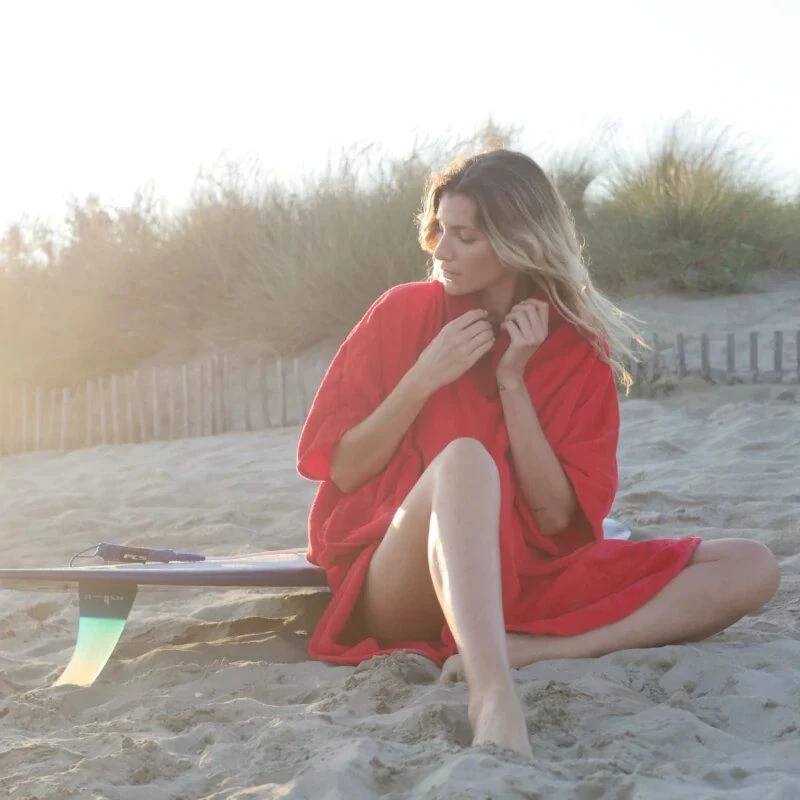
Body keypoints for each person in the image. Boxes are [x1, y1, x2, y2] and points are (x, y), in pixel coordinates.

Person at [296, 149, 780, 758]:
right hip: (400, 582)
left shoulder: (574, 346)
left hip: (525, 577)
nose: (441, 250)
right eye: (440, 230)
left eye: (465, 236)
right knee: (465, 458)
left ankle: (533, 649)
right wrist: (423, 377)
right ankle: (491, 691)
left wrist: (512, 382)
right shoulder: (403, 312)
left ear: (517, 242)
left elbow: (556, 520)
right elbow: (344, 468)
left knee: (753, 564)